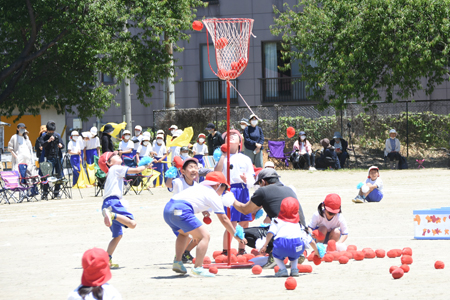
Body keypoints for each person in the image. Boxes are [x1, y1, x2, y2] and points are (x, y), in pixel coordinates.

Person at [163, 171, 247, 277]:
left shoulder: (199, 187)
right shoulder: (212, 194)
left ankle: (178, 262)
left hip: (168, 210)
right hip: (181, 210)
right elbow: (224, 219)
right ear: (218, 185)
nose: (223, 191)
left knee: (184, 233)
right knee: (204, 236)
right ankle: (198, 268)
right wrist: (235, 235)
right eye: (224, 188)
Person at [231, 168, 307, 268]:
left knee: (243, 234)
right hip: (300, 235)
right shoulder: (288, 189)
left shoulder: (263, 191)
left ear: (263, 181)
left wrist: (231, 199)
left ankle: (275, 255)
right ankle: (296, 252)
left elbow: (245, 210)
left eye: (259, 184)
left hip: (282, 234)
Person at [98, 151, 152, 268]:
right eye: (115, 156)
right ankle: (112, 215)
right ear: (109, 162)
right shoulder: (116, 168)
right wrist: (147, 164)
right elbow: (137, 171)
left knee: (117, 235)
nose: (118, 155)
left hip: (107, 204)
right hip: (113, 203)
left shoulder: (111, 172)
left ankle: (107, 259)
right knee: (132, 224)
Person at [214, 130, 255, 255]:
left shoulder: (245, 158)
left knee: (244, 222)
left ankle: (241, 249)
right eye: (227, 136)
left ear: (239, 142)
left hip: (243, 190)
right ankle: (226, 251)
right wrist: (223, 155)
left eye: (234, 135)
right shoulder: (223, 157)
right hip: (229, 190)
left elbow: (252, 177)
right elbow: (216, 172)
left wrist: (246, 179)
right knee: (231, 222)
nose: (231, 136)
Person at [260, 197, 320, 277]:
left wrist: (265, 245)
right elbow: (310, 240)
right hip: (297, 246)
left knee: (275, 254)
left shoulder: (276, 220)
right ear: (297, 211)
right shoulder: (298, 224)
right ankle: (294, 269)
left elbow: (270, 233)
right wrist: (317, 252)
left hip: (281, 245)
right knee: (294, 254)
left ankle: (282, 269)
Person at [165, 157, 200, 263]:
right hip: (177, 212)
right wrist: (170, 175)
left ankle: (185, 253)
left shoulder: (197, 186)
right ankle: (179, 256)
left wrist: (205, 212)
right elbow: (168, 185)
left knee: (198, 236)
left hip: (188, 213)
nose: (194, 169)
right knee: (188, 236)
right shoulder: (178, 181)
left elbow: (199, 200)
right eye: (190, 167)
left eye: (195, 167)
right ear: (183, 171)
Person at [39, 120, 64, 199]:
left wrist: (60, 145)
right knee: (47, 175)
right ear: (47, 130)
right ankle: (45, 192)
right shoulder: (43, 136)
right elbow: (42, 144)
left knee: (59, 175)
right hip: (49, 157)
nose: (51, 133)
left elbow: (62, 145)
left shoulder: (57, 135)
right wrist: (49, 140)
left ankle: (56, 192)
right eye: (50, 131)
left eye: (52, 131)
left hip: (58, 157)